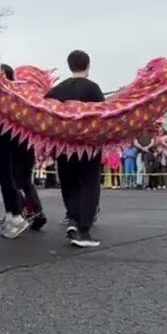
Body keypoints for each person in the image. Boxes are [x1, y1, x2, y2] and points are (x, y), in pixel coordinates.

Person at [44, 50, 105, 248]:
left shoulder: (57, 90)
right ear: (88, 65)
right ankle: (84, 231)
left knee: (69, 184)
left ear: (69, 65)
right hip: (88, 147)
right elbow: (103, 115)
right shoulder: (93, 89)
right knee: (89, 185)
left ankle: (72, 218)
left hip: (63, 147)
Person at [0, 64, 32, 239]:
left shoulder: (10, 95)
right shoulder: (3, 93)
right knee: (5, 179)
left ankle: (17, 217)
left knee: (8, 179)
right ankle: (10, 215)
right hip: (1, 142)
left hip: (7, 142)